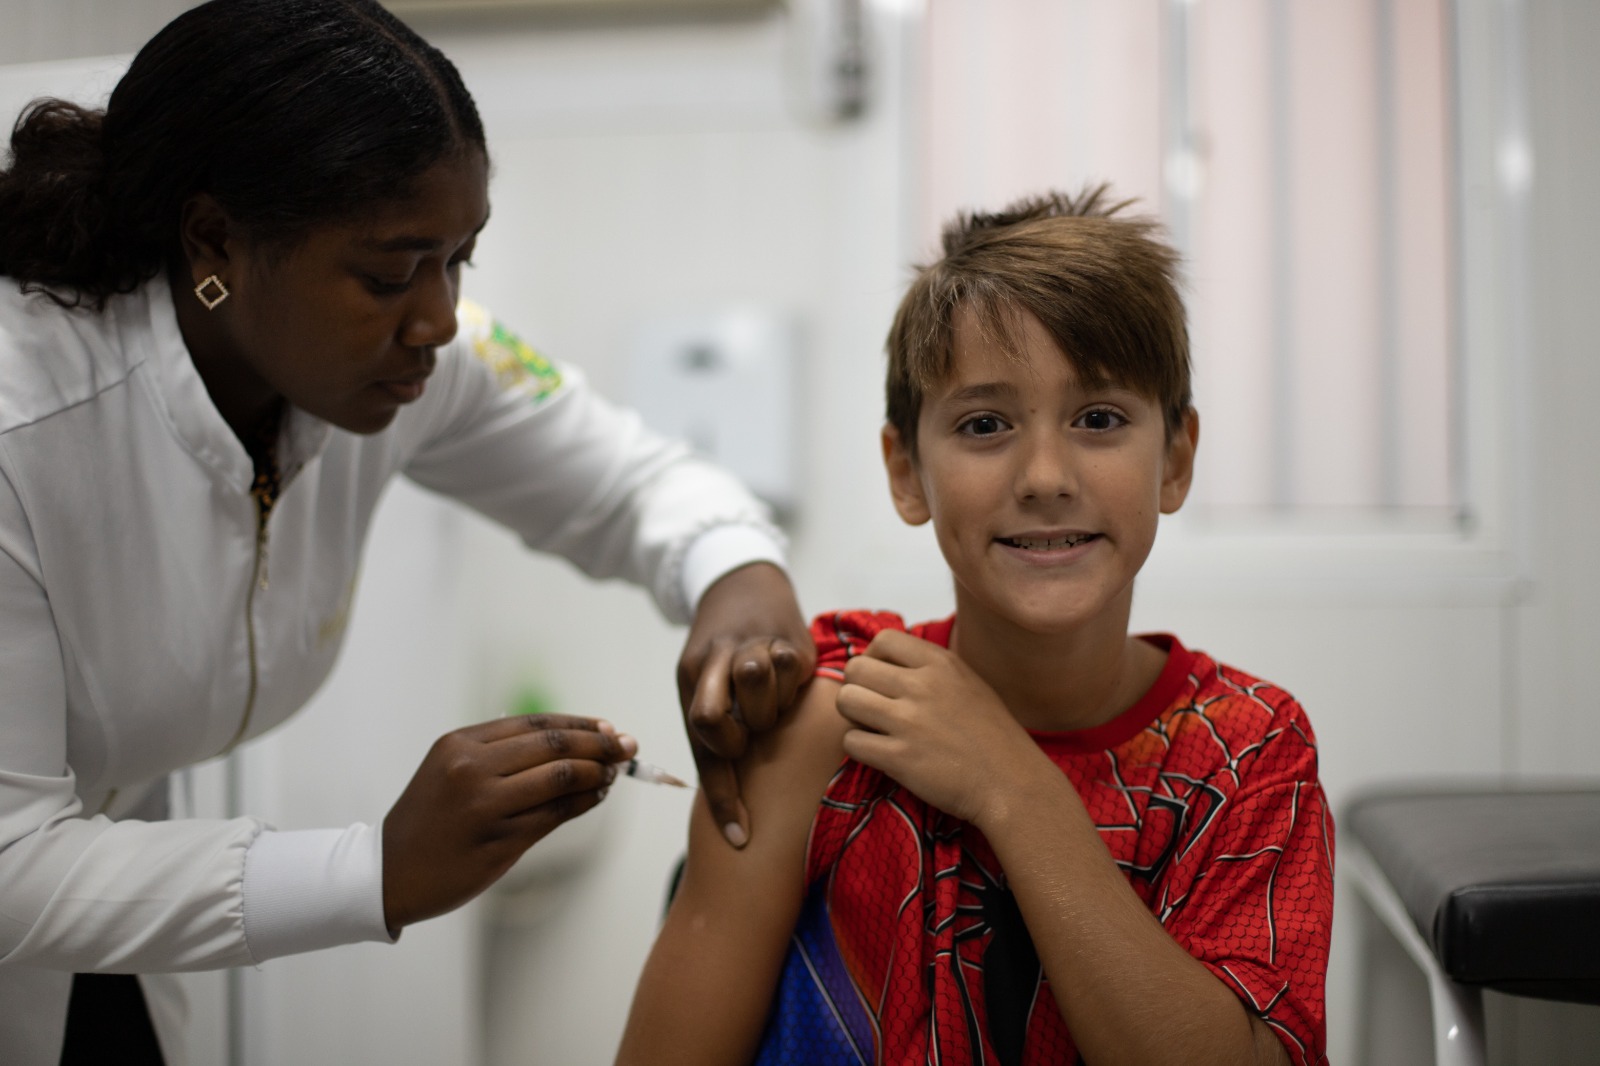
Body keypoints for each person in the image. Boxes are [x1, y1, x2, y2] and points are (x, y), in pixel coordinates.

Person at [0, 2, 814, 1063]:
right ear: (214, 242)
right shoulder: (24, 427)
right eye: (390, 273)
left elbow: (632, 483)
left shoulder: (409, 357)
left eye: (459, 259)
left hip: (100, 919)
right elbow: (12, 865)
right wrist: (374, 868)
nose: (436, 319)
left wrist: (737, 574)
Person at [616, 188, 1334, 1066]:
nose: (1043, 476)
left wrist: (1015, 790)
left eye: (1099, 419)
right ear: (907, 470)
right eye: (985, 424)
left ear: (1176, 459)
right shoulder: (828, 721)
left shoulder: (1246, 758)